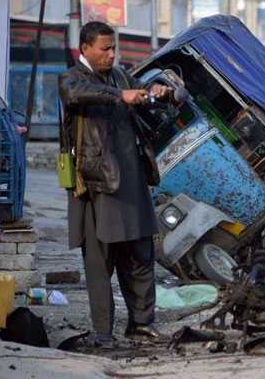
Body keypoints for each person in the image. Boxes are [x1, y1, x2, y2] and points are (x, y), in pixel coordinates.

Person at [58, 21, 171, 348]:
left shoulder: (121, 75)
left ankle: (141, 325)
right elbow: (77, 94)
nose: (111, 55)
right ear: (86, 49)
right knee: (99, 262)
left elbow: (142, 95)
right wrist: (120, 95)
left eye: (113, 49)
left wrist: (156, 94)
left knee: (140, 257)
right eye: (105, 49)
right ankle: (103, 332)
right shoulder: (70, 79)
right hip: (96, 184)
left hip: (132, 180)